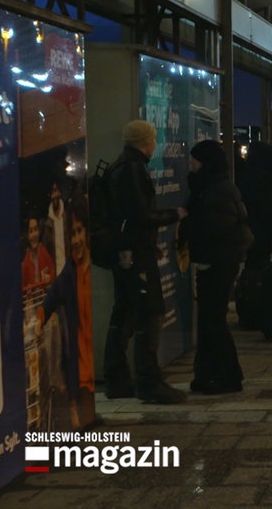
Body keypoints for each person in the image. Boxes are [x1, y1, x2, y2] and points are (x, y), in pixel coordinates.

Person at [103, 119, 187, 404]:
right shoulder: (133, 170)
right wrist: (175, 215)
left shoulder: (121, 166)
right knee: (151, 312)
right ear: (145, 141)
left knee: (125, 311)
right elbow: (140, 216)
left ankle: (116, 379)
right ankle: (149, 382)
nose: (155, 144)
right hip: (135, 254)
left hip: (126, 251)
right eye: (152, 139)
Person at [181, 140, 253, 394]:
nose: (192, 164)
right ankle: (206, 374)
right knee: (209, 320)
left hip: (218, 262)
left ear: (207, 162)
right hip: (214, 260)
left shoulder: (217, 190)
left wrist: (188, 222)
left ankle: (229, 376)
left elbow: (217, 229)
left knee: (214, 321)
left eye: (195, 160)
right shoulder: (209, 186)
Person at [42, 197, 93, 427]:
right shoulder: (69, 273)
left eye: (79, 232)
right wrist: (39, 317)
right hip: (81, 375)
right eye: (72, 234)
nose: (75, 240)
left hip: (95, 371)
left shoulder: (96, 270)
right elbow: (51, 297)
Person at [235, 141, 272, 328]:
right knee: (257, 268)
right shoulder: (263, 179)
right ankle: (253, 311)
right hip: (259, 231)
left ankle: (249, 311)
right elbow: (264, 208)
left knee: (252, 267)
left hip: (251, 229)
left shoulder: (245, 175)